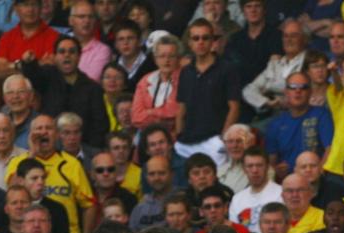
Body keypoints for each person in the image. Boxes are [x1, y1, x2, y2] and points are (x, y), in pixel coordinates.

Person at [6, 114, 97, 233]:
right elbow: (12, 193)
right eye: (39, 128)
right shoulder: (17, 162)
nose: (43, 132)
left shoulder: (72, 164)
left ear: (56, 134)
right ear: (30, 135)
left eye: (48, 128)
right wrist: (32, 152)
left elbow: (89, 204)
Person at [21, 36, 108, 150]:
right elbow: (33, 75)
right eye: (62, 52)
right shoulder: (47, 77)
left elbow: (100, 125)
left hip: (82, 148)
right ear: (55, 57)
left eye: (72, 52)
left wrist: (88, 151)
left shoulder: (93, 88)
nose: (67, 55)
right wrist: (29, 63)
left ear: (79, 56)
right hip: (50, 148)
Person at [175, 19, 241, 167]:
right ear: (189, 43)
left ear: (212, 41)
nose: (200, 42)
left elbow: (234, 107)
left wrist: (223, 138)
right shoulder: (185, 72)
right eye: (196, 38)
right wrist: (179, 134)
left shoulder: (227, 69)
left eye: (205, 38)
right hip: (186, 143)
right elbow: (181, 108)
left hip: (214, 141)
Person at [241, 17, 307, 117]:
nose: (288, 40)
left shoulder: (310, 60)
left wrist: (268, 88)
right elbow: (248, 90)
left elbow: (292, 88)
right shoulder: (275, 64)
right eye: (285, 36)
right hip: (274, 114)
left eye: (294, 36)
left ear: (304, 39)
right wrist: (267, 101)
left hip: (300, 114)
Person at [0, 0, 58, 78]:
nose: (30, 9)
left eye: (34, 4)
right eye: (25, 5)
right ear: (16, 9)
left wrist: (12, 66)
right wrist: (30, 64)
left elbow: (50, 66)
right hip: (12, 88)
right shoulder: (6, 38)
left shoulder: (54, 36)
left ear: (40, 8)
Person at [130, 34, 182, 130]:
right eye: (162, 56)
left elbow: (174, 113)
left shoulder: (185, 79)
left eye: (171, 56)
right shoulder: (145, 81)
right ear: (155, 59)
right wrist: (162, 117)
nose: (167, 60)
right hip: (148, 137)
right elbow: (136, 118)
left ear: (179, 58)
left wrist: (150, 112)